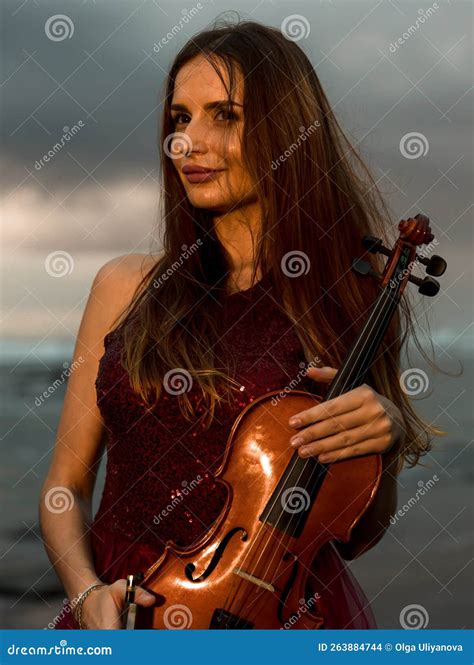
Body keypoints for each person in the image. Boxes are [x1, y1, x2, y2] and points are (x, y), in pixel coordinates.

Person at [40, 19, 442, 630]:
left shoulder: (348, 295)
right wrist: (86, 588)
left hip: (271, 617)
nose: (186, 142)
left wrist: (381, 445)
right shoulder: (124, 286)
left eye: (223, 116)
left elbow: (354, 534)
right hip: (120, 615)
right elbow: (64, 488)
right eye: (179, 118)